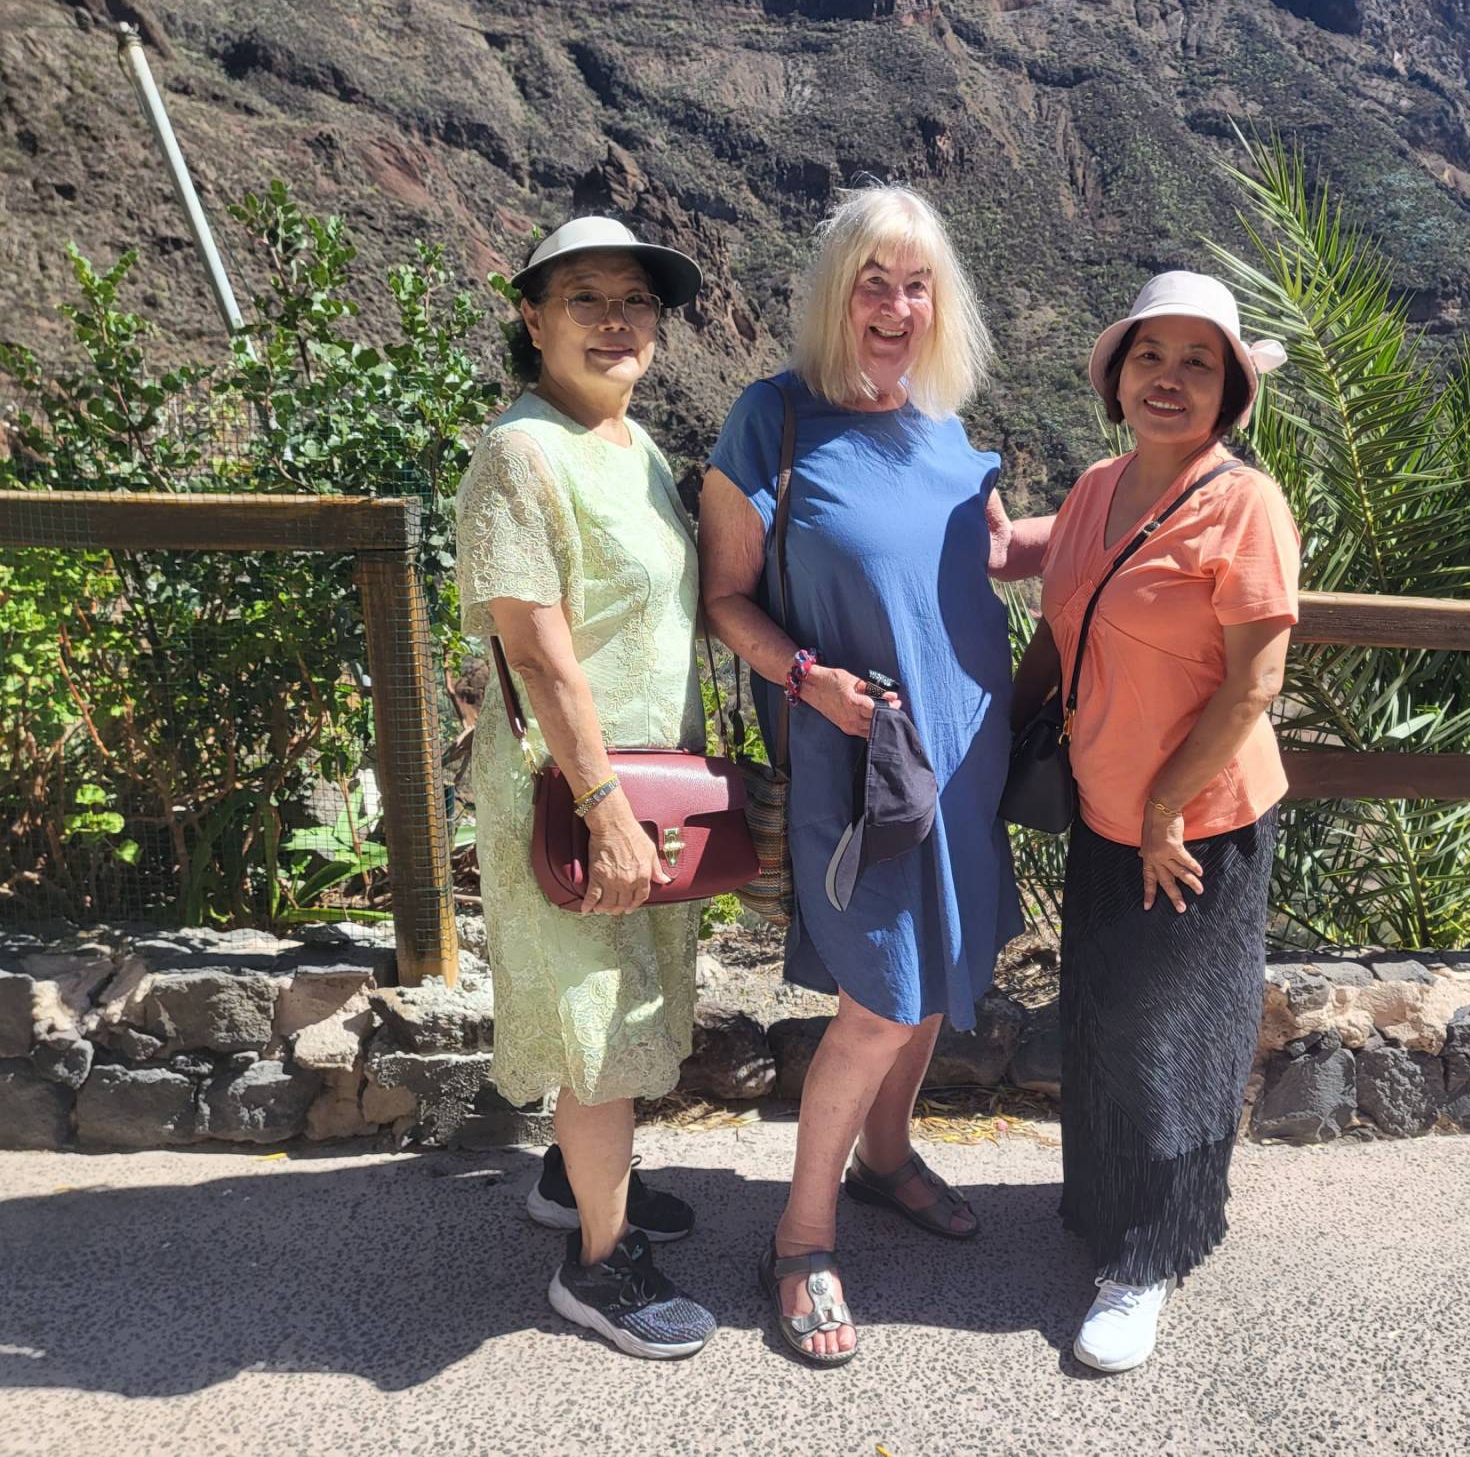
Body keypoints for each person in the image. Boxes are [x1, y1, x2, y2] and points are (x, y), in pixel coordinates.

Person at [700, 184, 1050, 1365]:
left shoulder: (946, 431)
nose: (895, 309)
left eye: (916, 287)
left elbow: (998, 554)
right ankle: (799, 1238)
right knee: (882, 1000)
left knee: (939, 978)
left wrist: (1155, 497)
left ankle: (885, 1158)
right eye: (872, 284)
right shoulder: (773, 421)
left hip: (964, 756)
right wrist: (807, 680)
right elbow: (724, 598)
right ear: (833, 296)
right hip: (857, 763)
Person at [1014, 271, 1298, 1373]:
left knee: (1170, 1036)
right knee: (1101, 1019)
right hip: (1104, 807)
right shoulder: (1096, 489)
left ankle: (1148, 1257)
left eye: (1197, 362)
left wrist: (1165, 810)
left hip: (1195, 827)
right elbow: (1059, 628)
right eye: (1150, 356)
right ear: (1116, 376)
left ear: (1229, 390)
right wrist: (1005, 733)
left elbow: (1254, 684)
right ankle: (1103, 1211)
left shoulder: (1245, 506)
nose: (1168, 379)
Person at [455, 216, 716, 1360]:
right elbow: (538, 651)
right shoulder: (521, 455)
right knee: (598, 1015)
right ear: (532, 317)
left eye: (635, 301)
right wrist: (605, 806)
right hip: (577, 792)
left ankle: (575, 1180)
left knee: (627, 999)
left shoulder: (635, 445)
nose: (615, 321)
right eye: (585, 299)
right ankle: (599, 1269)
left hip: (647, 785)